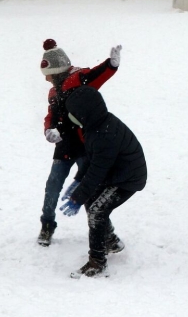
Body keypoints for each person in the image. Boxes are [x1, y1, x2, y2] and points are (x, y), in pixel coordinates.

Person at [37, 39, 121, 247]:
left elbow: (98, 74)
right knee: (53, 186)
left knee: (90, 190)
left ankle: (107, 233)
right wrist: (48, 129)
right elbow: (51, 115)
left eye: (48, 74)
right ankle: (47, 225)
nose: (46, 79)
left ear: (57, 71)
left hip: (86, 146)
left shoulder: (79, 79)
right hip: (64, 147)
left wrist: (111, 64)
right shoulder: (53, 92)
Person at [59, 86, 147, 279]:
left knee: (97, 211)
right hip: (115, 172)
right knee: (93, 202)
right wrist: (77, 182)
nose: (71, 117)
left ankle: (97, 262)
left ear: (84, 113)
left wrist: (78, 197)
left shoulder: (104, 134)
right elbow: (91, 159)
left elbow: (97, 171)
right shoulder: (95, 126)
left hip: (128, 178)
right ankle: (110, 241)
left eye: (73, 113)